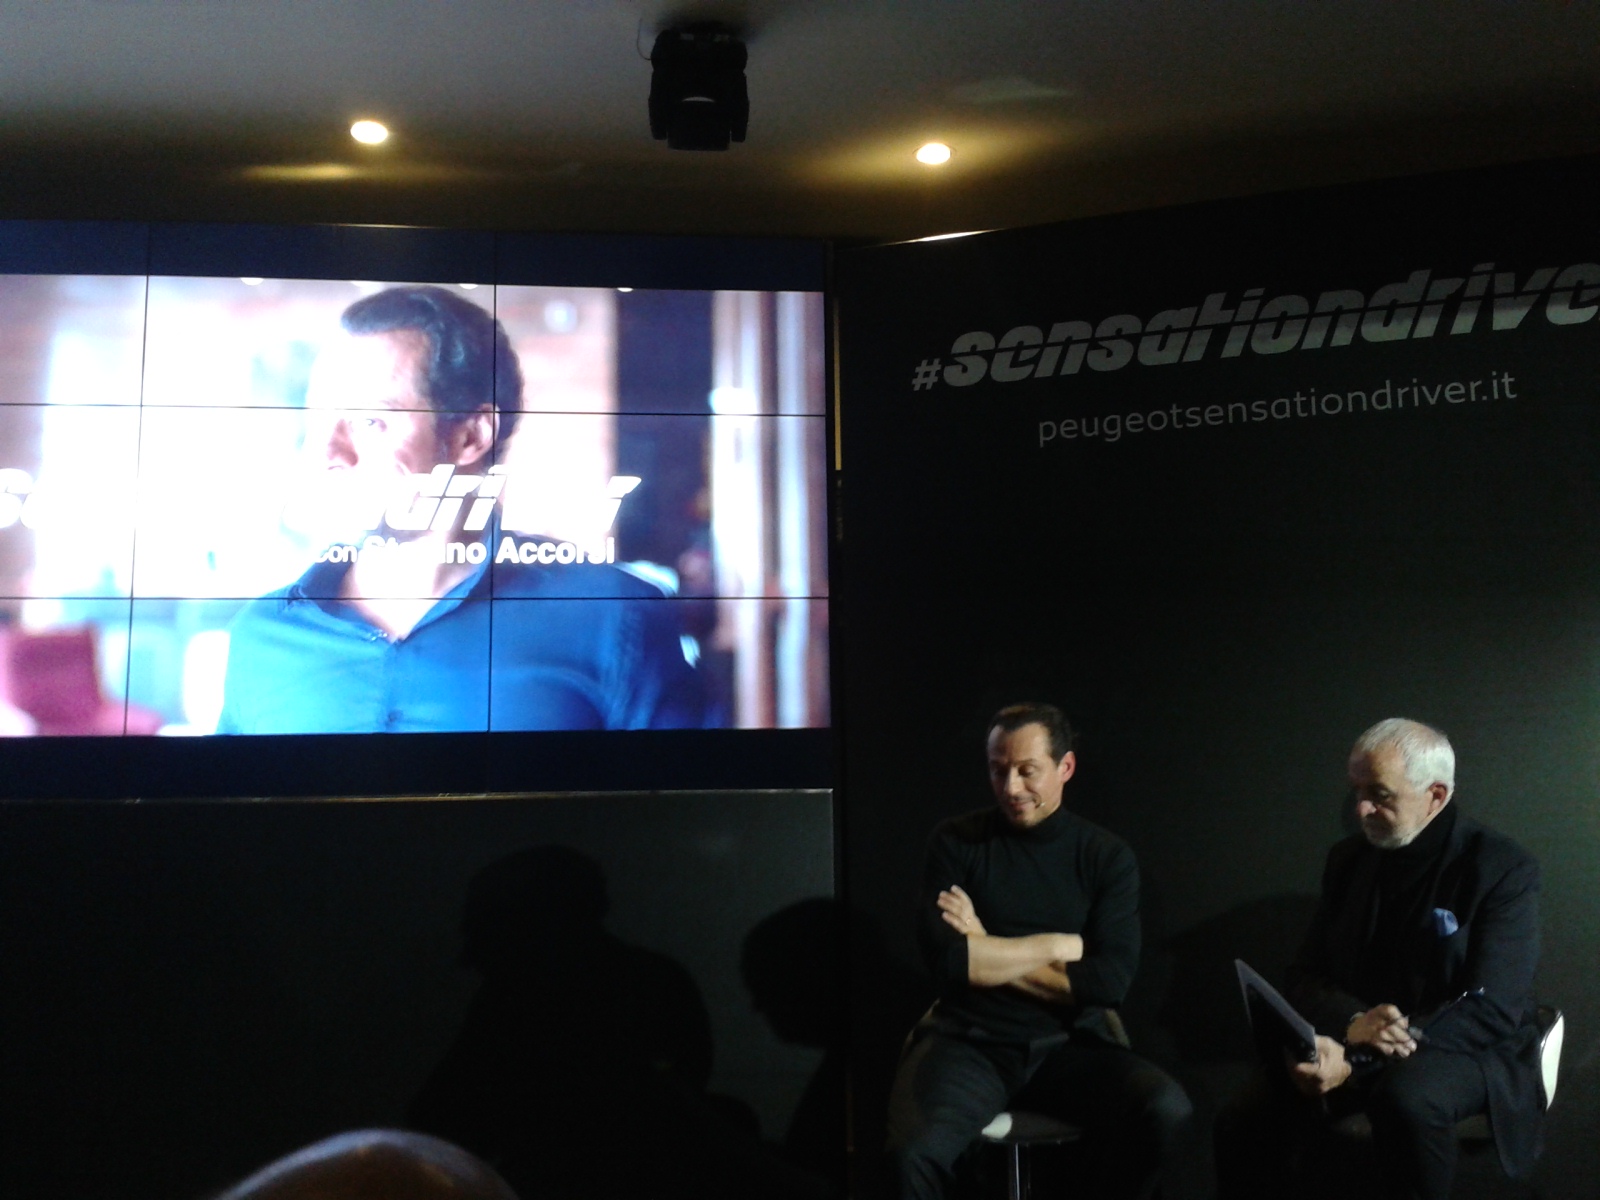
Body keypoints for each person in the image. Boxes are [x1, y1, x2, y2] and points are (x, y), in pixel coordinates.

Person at [216, 284, 702, 733]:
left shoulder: (612, 619)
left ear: (471, 436)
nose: (326, 455)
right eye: (318, 418)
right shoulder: (261, 638)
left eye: (370, 420)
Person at [1214, 718, 1544, 1200]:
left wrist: (1357, 1059)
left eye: (1379, 794)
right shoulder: (1348, 860)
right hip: (1356, 1036)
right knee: (1244, 1116)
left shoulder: (1501, 868)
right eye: (1357, 791)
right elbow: (1305, 975)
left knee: (1407, 1097)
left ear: (1435, 795)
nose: (1361, 808)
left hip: (1461, 1047)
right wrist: (1352, 1024)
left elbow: (1491, 1007)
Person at [887, 702, 1192, 1200]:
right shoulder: (956, 842)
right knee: (913, 1154)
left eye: (1027, 771)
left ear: (1065, 767)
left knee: (1167, 1111)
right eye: (998, 770)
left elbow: (1106, 983)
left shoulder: (1105, 857)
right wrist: (1056, 946)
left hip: (1069, 1047)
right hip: (970, 1044)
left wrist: (983, 947)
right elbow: (949, 964)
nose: (1010, 788)